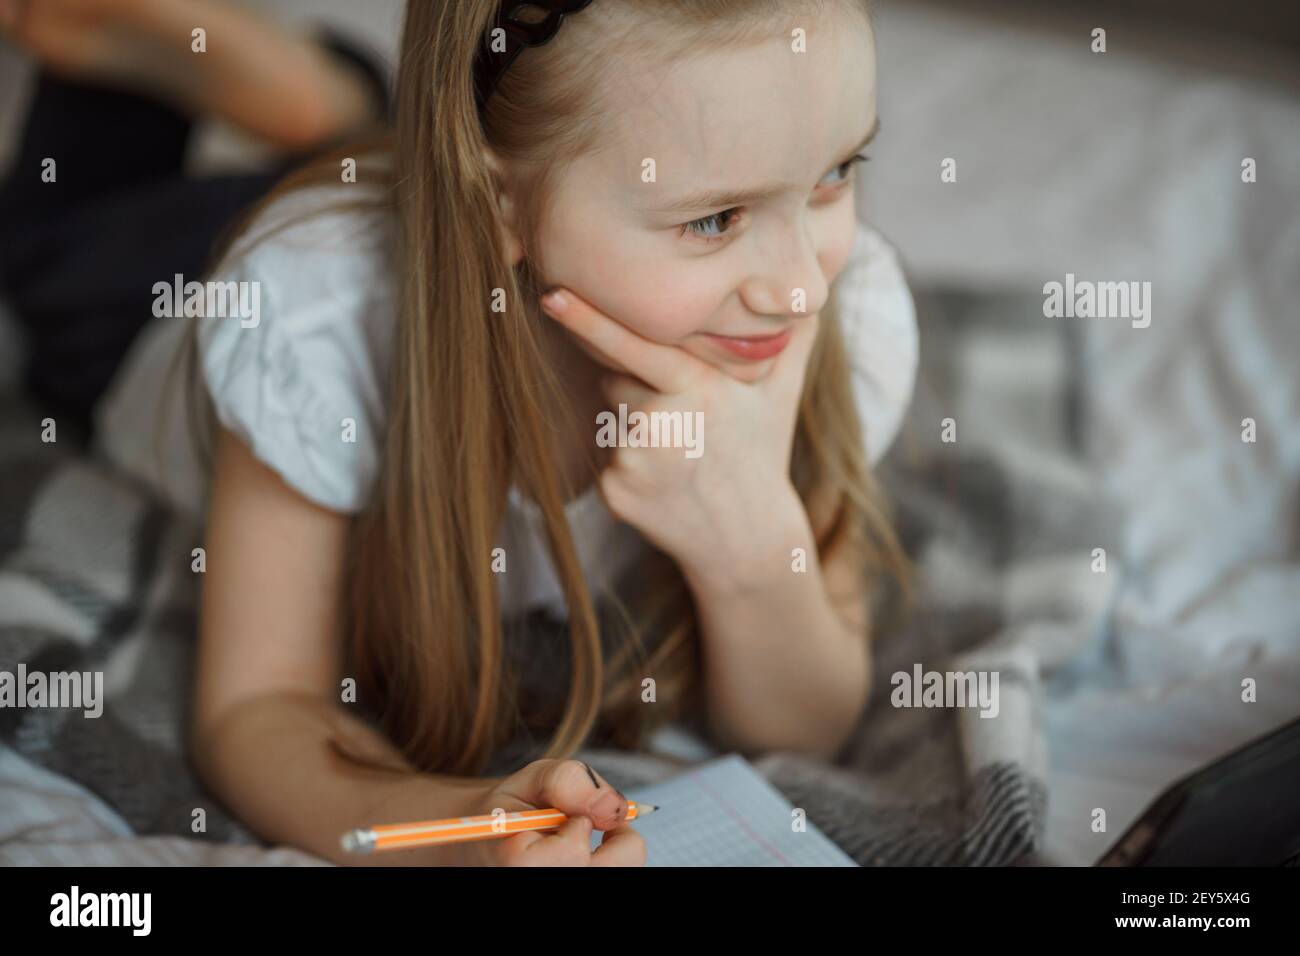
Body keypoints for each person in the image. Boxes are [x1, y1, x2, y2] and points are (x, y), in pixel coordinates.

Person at [2, 0, 919, 866]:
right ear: (498, 207)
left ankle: (346, 106)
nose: (801, 287)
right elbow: (260, 706)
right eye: (715, 219)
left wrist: (754, 544)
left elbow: (806, 730)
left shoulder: (836, 315)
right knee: (51, 245)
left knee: (437, 139)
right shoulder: (311, 315)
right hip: (151, 296)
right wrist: (458, 835)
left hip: (449, 189)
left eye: (836, 174)